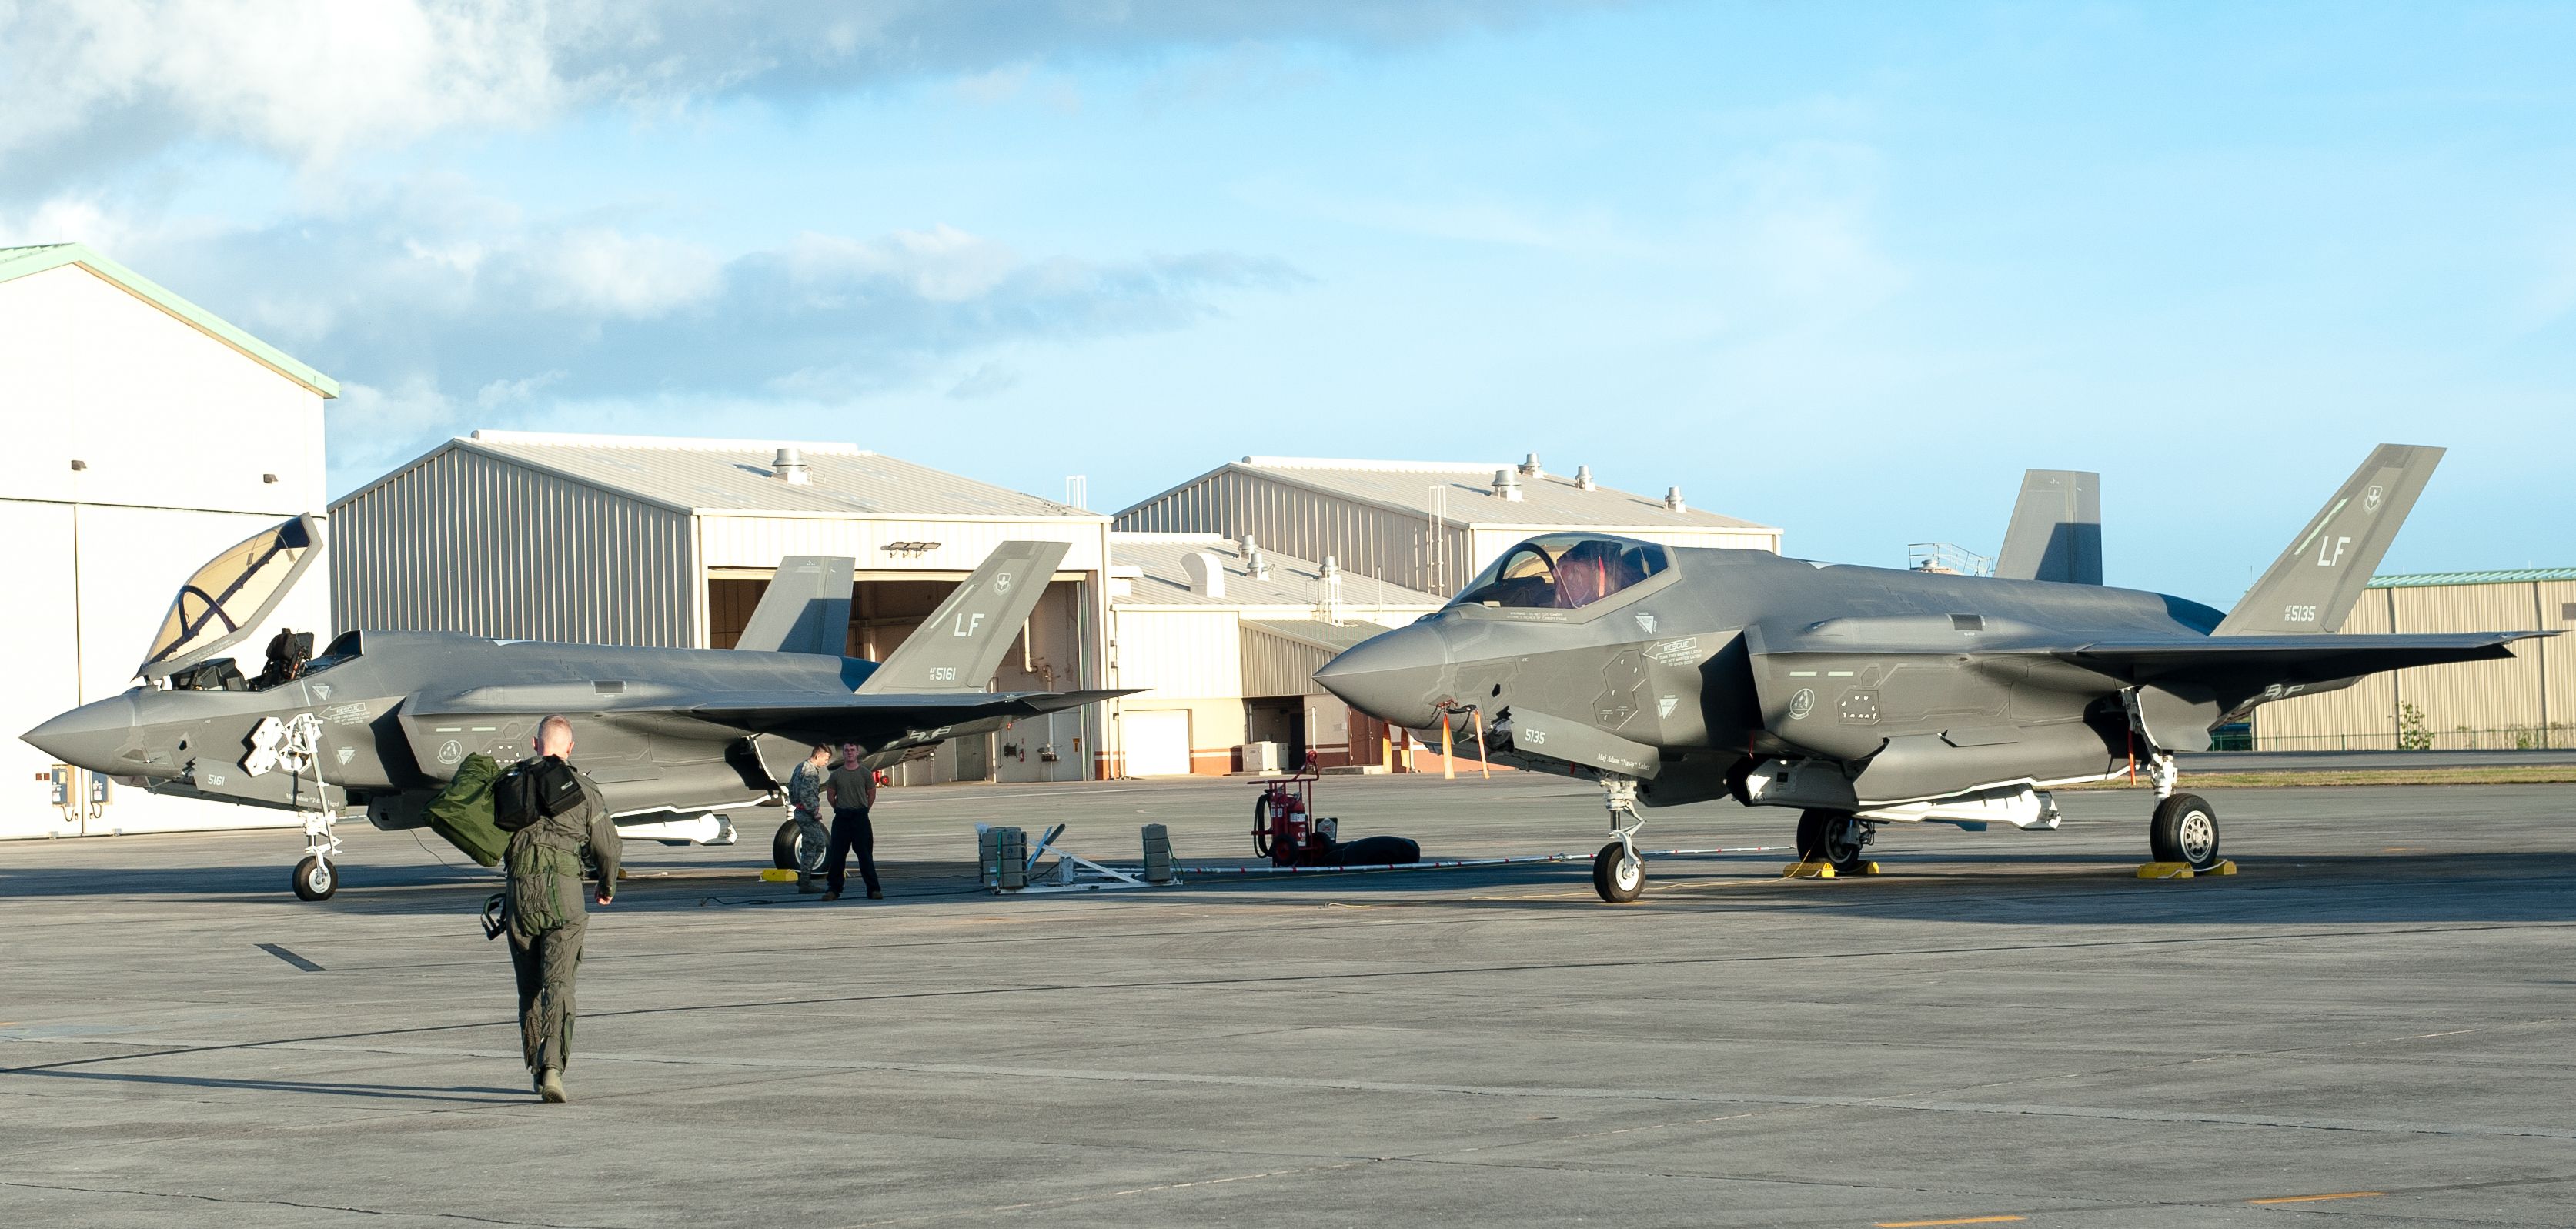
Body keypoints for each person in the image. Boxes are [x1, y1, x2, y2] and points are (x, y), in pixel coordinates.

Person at [503, 715, 620, 1103]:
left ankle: (536, 1068)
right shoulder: (583, 789)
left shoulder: (511, 784)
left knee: (530, 988)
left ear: (536, 746)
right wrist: (607, 885)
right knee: (560, 983)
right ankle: (553, 1067)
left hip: (519, 896)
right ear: (570, 749)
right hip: (564, 895)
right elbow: (608, 847)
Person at [821, 743, 882, 902]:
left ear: (857, 753)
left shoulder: (865, 774)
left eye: (852, 750)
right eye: (847, 750)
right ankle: (833, 890)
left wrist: (862, 809)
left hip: (860, 818)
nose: (849, 753)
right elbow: (830, 796)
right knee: (837, 857)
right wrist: (841, 809)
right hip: (842, 818)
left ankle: (874, 889)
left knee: (865, 856)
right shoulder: (836, 775)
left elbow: (871, 795)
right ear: (844, 753)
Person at [787, 744, 834, 893]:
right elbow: (807, 794)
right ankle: (805, 882)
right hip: (807, 814)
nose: (826, 763)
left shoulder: (800, 767)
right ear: (818, 756)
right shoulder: (811, 772)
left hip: (800, 811)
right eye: (825, 759)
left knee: (812, 845)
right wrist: (814, 812)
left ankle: (804, 879)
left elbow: (791, 789)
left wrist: (798, 805)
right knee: (817, 846)